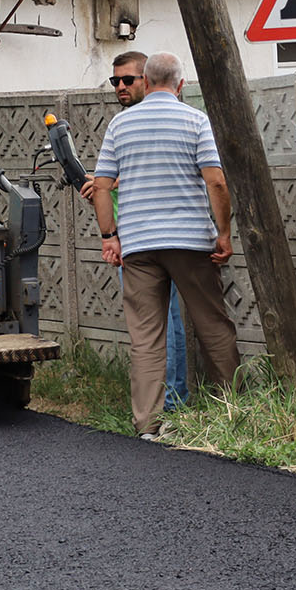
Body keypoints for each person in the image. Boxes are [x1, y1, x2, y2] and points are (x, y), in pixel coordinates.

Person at [89, 50, 240, 441]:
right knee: (214, 328)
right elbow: (217, 182)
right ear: (180, 84)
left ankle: (148, 426)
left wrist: (110, 237)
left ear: (147, 81)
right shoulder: (195, 120)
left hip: (139, 246)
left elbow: (102, 186)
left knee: (146, 337)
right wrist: (223, 234)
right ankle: (233, 415)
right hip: (191, 242)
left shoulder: (120, 126)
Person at [82, 52, 191, 410]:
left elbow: (163, 176)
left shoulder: (154, 121)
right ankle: (171, 399)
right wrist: (101, 187)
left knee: (158, 323)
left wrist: (109, 188)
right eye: (115, 82)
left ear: (148, 79)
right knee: (163, 320)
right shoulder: (125, 122)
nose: (121, 87)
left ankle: (170, 402)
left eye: (128, 80)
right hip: (140, 235)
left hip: (149, 237)